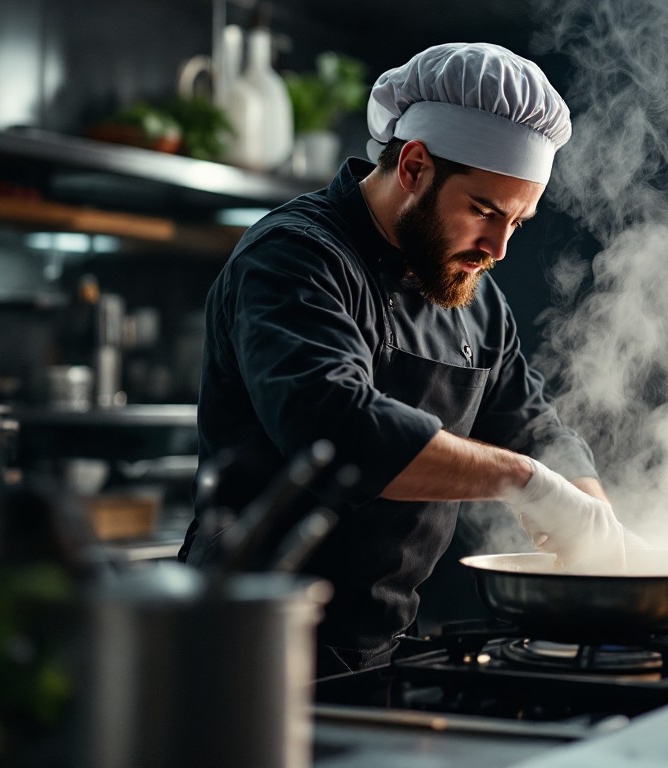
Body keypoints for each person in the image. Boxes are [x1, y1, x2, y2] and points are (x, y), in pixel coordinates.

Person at [178, 42, 628, 674]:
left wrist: (595, 520)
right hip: (241, 645)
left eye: (517, 223)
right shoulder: (293, 258)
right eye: (482, 211)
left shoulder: (473, 295)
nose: (497, 248)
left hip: (373, 651)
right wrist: (529, 484)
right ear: (414, 166)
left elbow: (530, 425)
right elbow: (338, 429)